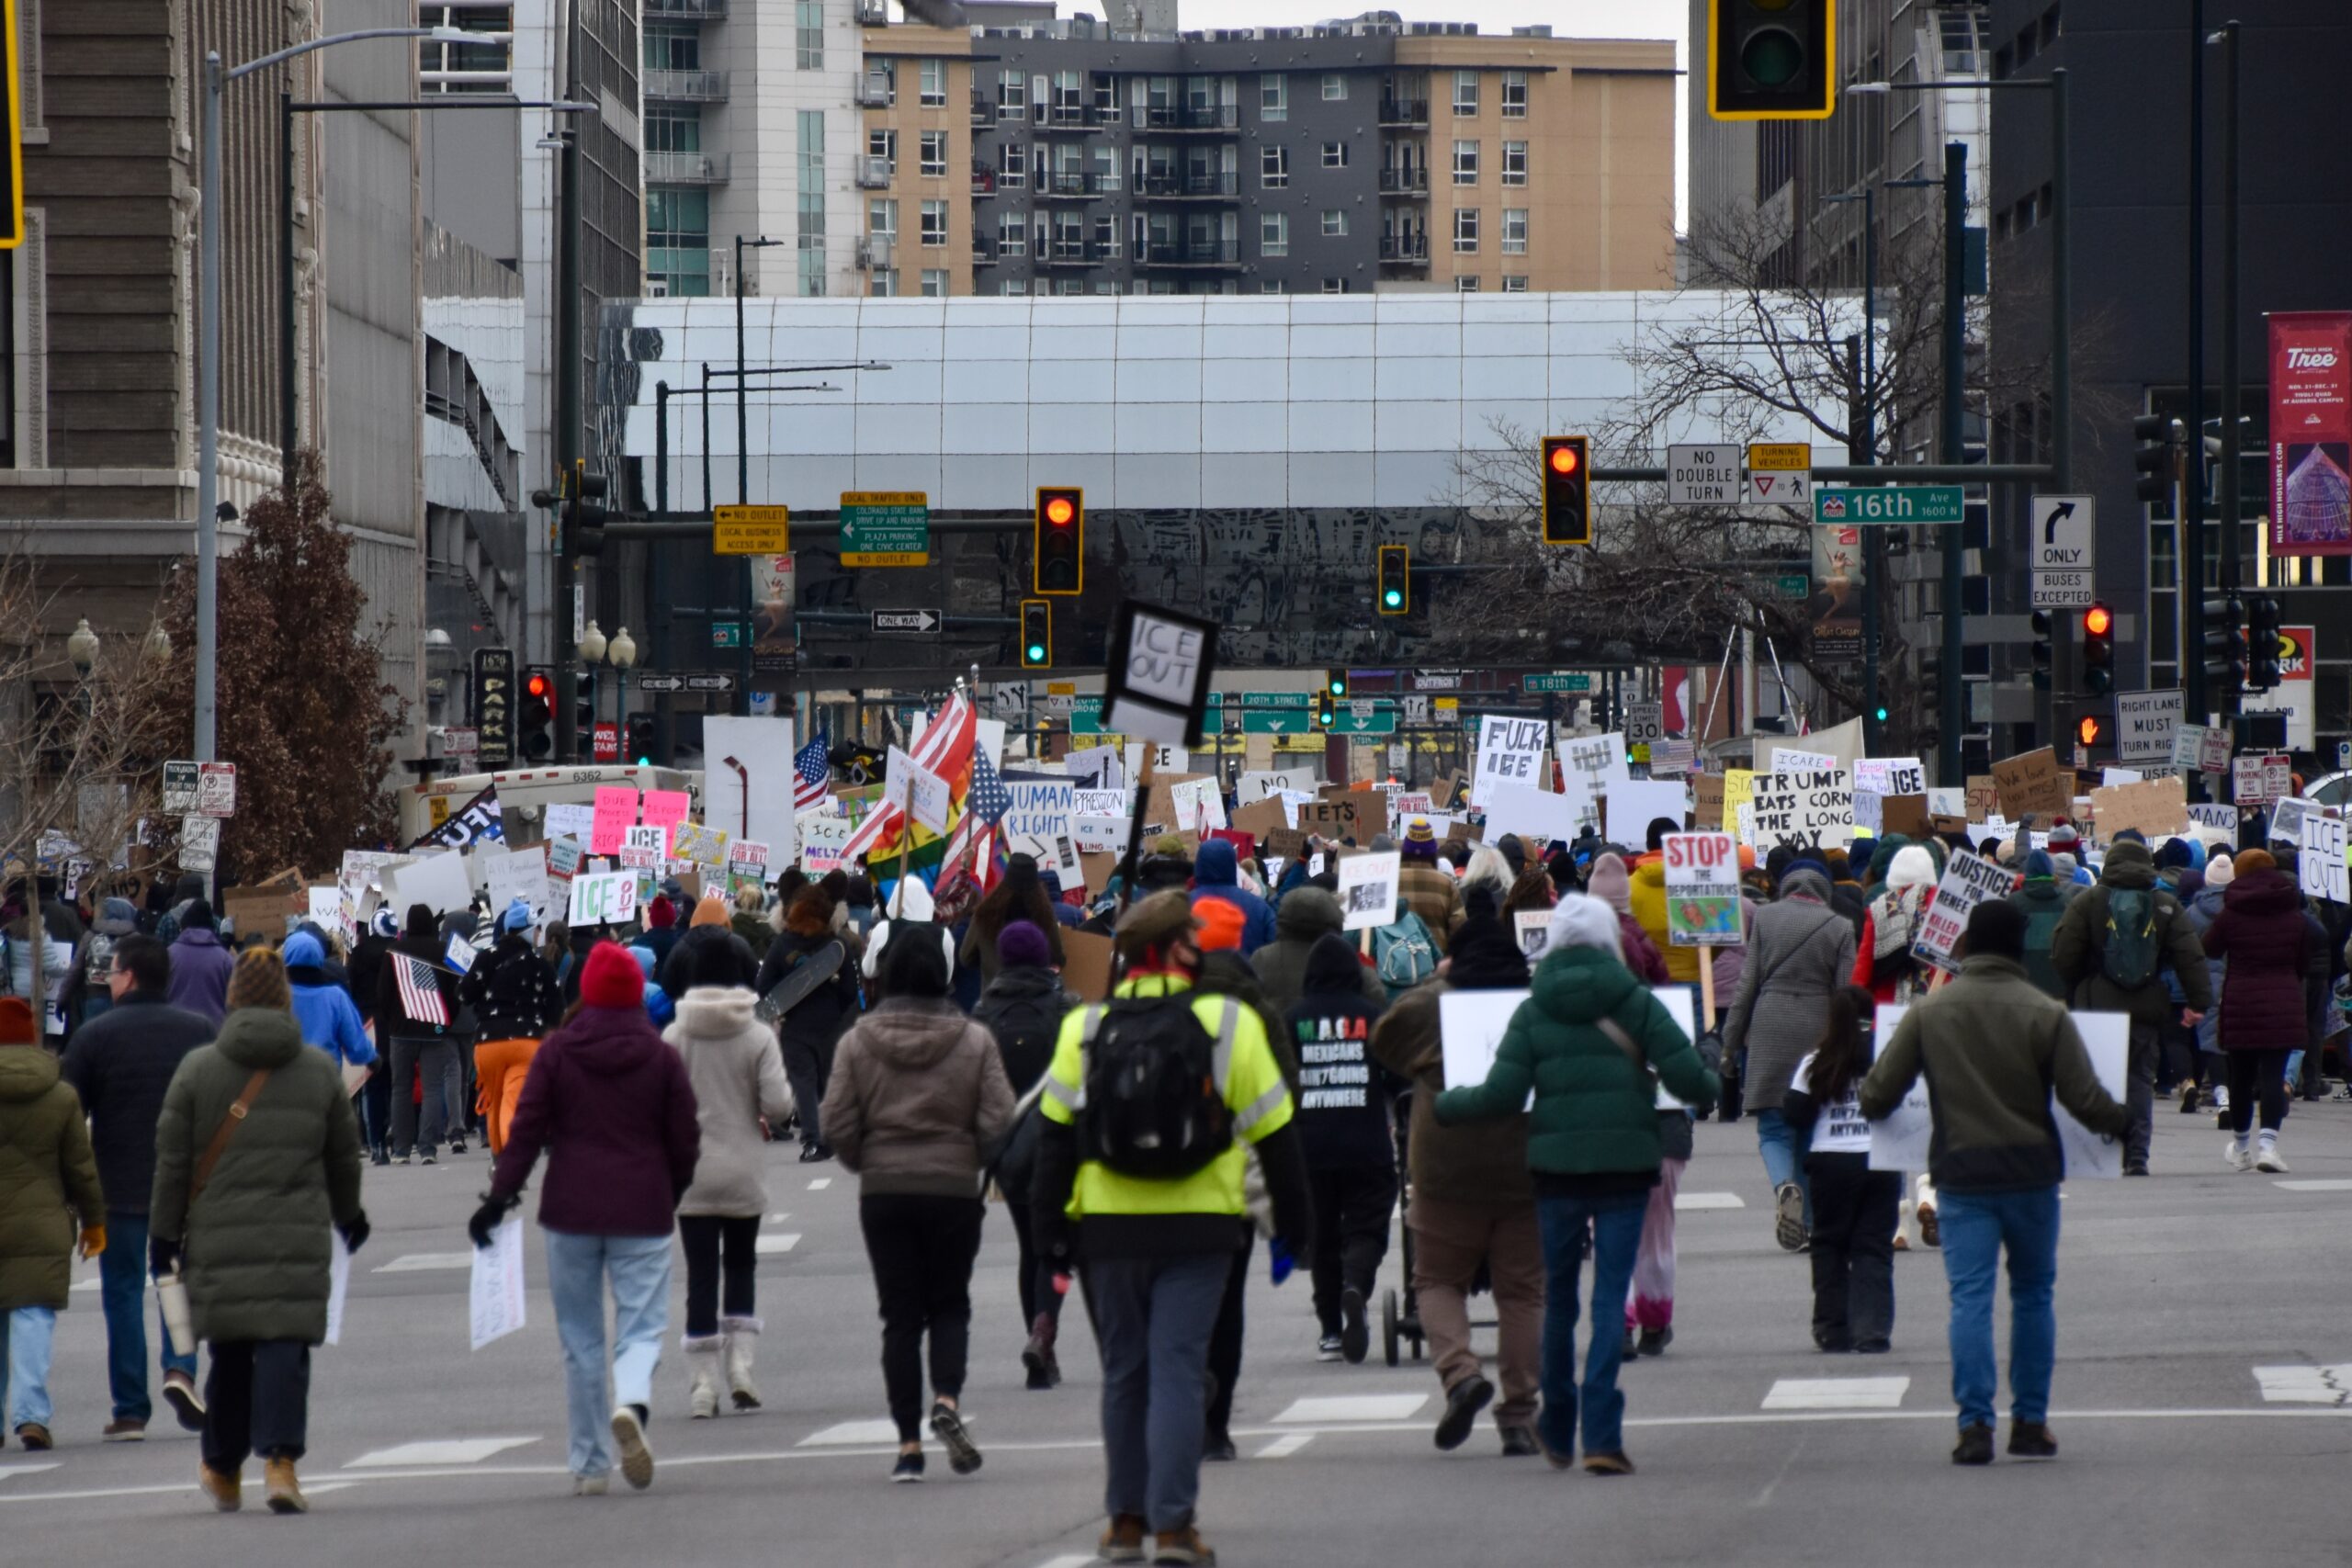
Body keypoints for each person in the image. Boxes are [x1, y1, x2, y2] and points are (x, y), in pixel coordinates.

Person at [1032, 892, 1313, 1565]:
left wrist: (1053, 1240)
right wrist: (1293, 1230)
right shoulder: (1229, 1024)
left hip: (1107, 1231)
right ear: (1180, 948)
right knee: (1180, 1371)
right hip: (1201, 1229)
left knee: (1124, 1373)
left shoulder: (1085, 1028)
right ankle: (1175, 1524)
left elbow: (1052, 1143)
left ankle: (1124, 1521)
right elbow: (1277, 1136)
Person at [1434, 896, 1718, 1476]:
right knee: (1610, 1297)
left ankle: (1558, 1425)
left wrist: (1444, 1104)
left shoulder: (1534, 1010)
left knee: (1558, 1299)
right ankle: (1604, 1437)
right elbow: (1692, 1082)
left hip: (1555, 1171)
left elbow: (1499, 1098)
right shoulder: (1636, 1002)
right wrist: (1712, 1074)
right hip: (1625, 1165)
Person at [1859, 901, 2128, 1465]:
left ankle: (1974, 1424)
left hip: (1962, 1171)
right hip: (2031, 1174)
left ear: (1965, 946)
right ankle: (2030, 1421)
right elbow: (2084, 1099)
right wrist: (2123, 1124)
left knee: (1970, 1300)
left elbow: (1879, 1094)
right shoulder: (2045, 1011)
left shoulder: (1931, 1013)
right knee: (2033, 1296)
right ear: (2018, 948)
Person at [471, 943, 700, 1495]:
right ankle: (632, 1400)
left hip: (570, 1208)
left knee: (580, 1339)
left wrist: (499, 1198)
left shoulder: (556, 1053)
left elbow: (524, 1133)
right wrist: (671, 1191)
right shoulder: (661, 1056)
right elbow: (686, 1139)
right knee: (642, 1326)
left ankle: (590, 1464)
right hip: (642, 1205)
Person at [150, 949, 367, 1513]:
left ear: (233, 996)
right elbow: (344, 1156)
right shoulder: (318, 1071)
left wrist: (164, 1235)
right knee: (284, 1352)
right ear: (284, 998)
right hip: (295, 1235)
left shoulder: (198, 1070)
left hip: (219, 1239)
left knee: (229, 1355)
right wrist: (349, 1214)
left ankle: (222, 1467)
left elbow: (172, 1162)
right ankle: (280, 1464)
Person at [821, 933, 1012, 1482]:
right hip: (953, 1186)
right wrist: (969, 1154)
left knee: (900, 1316)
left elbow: (835, 1121)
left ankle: (907, 1445)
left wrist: (868, 1159)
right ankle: (947, 1402)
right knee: (950, 1304)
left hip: (884, 1189)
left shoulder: (858, 1042)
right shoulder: (974, 1040)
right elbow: (999, 1115)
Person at [1370, 911, 1543, 1456]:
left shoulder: (1433, 1003)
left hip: (1446, 1163)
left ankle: (1460, 1373)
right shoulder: (1538, 1005)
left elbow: (1385, 1042)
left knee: (1437, 1281)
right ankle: (1518, 1414)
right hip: (1526, 1164)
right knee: (1523, 1292)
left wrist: (1434, 979)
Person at [59, 934, 211, 1437]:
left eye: (114, 971)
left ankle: (129, 1408)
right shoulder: (197, 1032)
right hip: (184, 1185)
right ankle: (181, 1368)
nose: (109, 978)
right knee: (175, 1280)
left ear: (130, 977)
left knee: (121, 1292)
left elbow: (67, 1110)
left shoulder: (95, 1036)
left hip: (117, 1184)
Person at [665, 938, 791, 1418]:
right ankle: (741, 1368)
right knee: (740, 1266)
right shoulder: (758, 1037)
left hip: (691, 1172)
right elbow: (779, 1105)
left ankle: (702, 1386)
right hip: (742, 1169)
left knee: (701, 1275)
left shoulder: (675, 1037)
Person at [2050, 838, 2212, 1177]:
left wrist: (2080, 985)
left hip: (2096, 1006)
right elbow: (2190, 956)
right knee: (2140, 1078)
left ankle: (2101, 1149)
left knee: (2097, 1077)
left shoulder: (2088, 901)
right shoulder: (2165, 904)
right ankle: (2137, 1153)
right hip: (2146, 1005)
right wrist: (2198, 1002)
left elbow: (2064, 954)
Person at [969, 919, 1080, 1388]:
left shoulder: (981, 1013)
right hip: (1059, 1142)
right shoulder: (1066, 1005)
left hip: (1008, 1145)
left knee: (1027, 1247)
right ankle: (1044, 1331)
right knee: (1056, 1247)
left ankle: (1038, 1344)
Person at [1721, 862, 1854, 1251]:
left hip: (1769, 1023)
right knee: (1811, 1129)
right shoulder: (1839, 927)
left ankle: (1784, 1186)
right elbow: (1845, 992)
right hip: (1818, 1031)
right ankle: (1809, 1222)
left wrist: (1729, 1042)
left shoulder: (1764, 917)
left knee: (1774, 1128)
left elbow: (1747, 985)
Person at [1284, 931, 1396, 1365]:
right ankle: (1356, 1284)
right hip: (1366, 1142)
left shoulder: (1293, 1019)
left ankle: (1331, 1329)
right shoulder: (1372, 1016)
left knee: (1324, 1235)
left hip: (1312, 1147)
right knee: (1367, 1226)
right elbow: (1396, 1073)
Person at [0, 996, 106, 1453]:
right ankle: (31, 1415)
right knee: (31, 1319)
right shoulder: (61, 1095)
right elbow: (80, 1168)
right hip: (41, 1223)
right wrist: (93, 1222)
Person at [1781, 986, 1902, 1353]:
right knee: (1874, 1246)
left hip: (1831, 1159)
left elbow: (1795, 1116)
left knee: (1829, 1243)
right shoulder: (1887, 1058)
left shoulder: (1815, 1062)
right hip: (1879, 1159)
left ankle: (1833, 1328)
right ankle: (1873, 1330)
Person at [2198, 849, 2323, 1173]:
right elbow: (2304, 960)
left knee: (2240, 1076)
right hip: (2282, 999)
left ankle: (2240, 1148)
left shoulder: (2231, 913)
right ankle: (2268, 1146)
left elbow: (2209, 948)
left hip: (2241, 1000)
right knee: (2273, 1075)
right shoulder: (2293, 914)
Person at [759, 886, 862, 1162]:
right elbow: (851, 990)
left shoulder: (781, 945)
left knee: (803, 1082)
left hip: (795, 1025)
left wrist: (782, 1006)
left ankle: (812, 1141)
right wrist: (837, 1009)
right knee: (827, 1082)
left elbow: (764, 984)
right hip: (830, 1024)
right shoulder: (837, 946)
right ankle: (828, 1137)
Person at [459, 900, 566, 1156]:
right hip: (526, 1043)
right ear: (527, 930)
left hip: (487, 1043)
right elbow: (557, 1010)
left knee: (494, 1101)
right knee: (514, 1099)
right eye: (536, 927)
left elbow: (464, 995)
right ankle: (510, 1154)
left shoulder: (486, 957)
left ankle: (499, 1157)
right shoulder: (541, 965)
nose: (539, 932)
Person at [375, 904, 469, 1164]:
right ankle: (428, 1147)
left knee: (401, 1088)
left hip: (401, 1030)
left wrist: (394, 1019)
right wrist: (445, 1023)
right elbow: (455, 992)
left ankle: (402, 1150)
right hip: (435, 1029)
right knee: (433, 1088)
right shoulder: (443, 951)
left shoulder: (393, 952)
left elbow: (383, 993)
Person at [1251, 883, 1385, 1014]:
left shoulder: (1262, 958)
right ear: (1335, 919)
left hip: (1273, 1034)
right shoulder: (1347, 962)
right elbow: (1376, 1003)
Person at [960, 854, 1069, 988]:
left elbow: (966, 957)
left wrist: (989, 961)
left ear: (1004, 880)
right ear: (1036, 884)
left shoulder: (984, 914)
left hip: (993, 998)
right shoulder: (1044, 916)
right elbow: (1057, 958)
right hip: (1034, 1000)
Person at [1853, 845, 1939, 1004]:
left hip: (1889, 1008)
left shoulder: (1880, 907)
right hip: (1937, 1003)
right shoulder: (1943, 904)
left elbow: (1863, 969)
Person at [283, 931, 375, 1076]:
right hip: (327, 1079)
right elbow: (355, 1041)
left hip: (287, 1078)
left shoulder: (277, 997)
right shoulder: (335, 997)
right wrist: (371, 1058)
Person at [660, 891, 763, 998]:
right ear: (724, 916)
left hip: (693, 1010)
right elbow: (756, 980)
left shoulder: (682, 946)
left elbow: (668, 985)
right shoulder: (739, 944)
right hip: (730, 1010)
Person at [1185, 838, 1276, 956]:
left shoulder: (1182, 905)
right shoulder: (1259, 907)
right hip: (1246, 971)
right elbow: (1273, 948)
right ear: (1233, 865)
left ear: (1198, 865)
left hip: (1194, 973)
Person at [62, 896, 141, 1033]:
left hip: (94, 997)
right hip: (124, 999)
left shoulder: (91, 934)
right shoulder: (135, 938)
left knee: (92, 1038)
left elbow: (75, 969)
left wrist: (62, 998)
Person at [2006, 851, 2075, 1001]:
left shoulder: (2013, 902)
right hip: (2059, 985)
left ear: (2027, 872)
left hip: (2023, 986)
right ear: (2051, 871)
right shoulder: (2068, 901)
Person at [1396, 819, 1464, 954]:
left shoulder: (1390, 881)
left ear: (1405, 850)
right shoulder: (1447, 885)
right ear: (1433, 853)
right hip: (1435, 966)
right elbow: (1460, 930)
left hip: (1395, 966)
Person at [164, 899, 236, 1026]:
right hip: (215, 1031)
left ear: (183, 927)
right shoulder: (225, 959)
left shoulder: (167, 956)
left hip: (175, 1029)